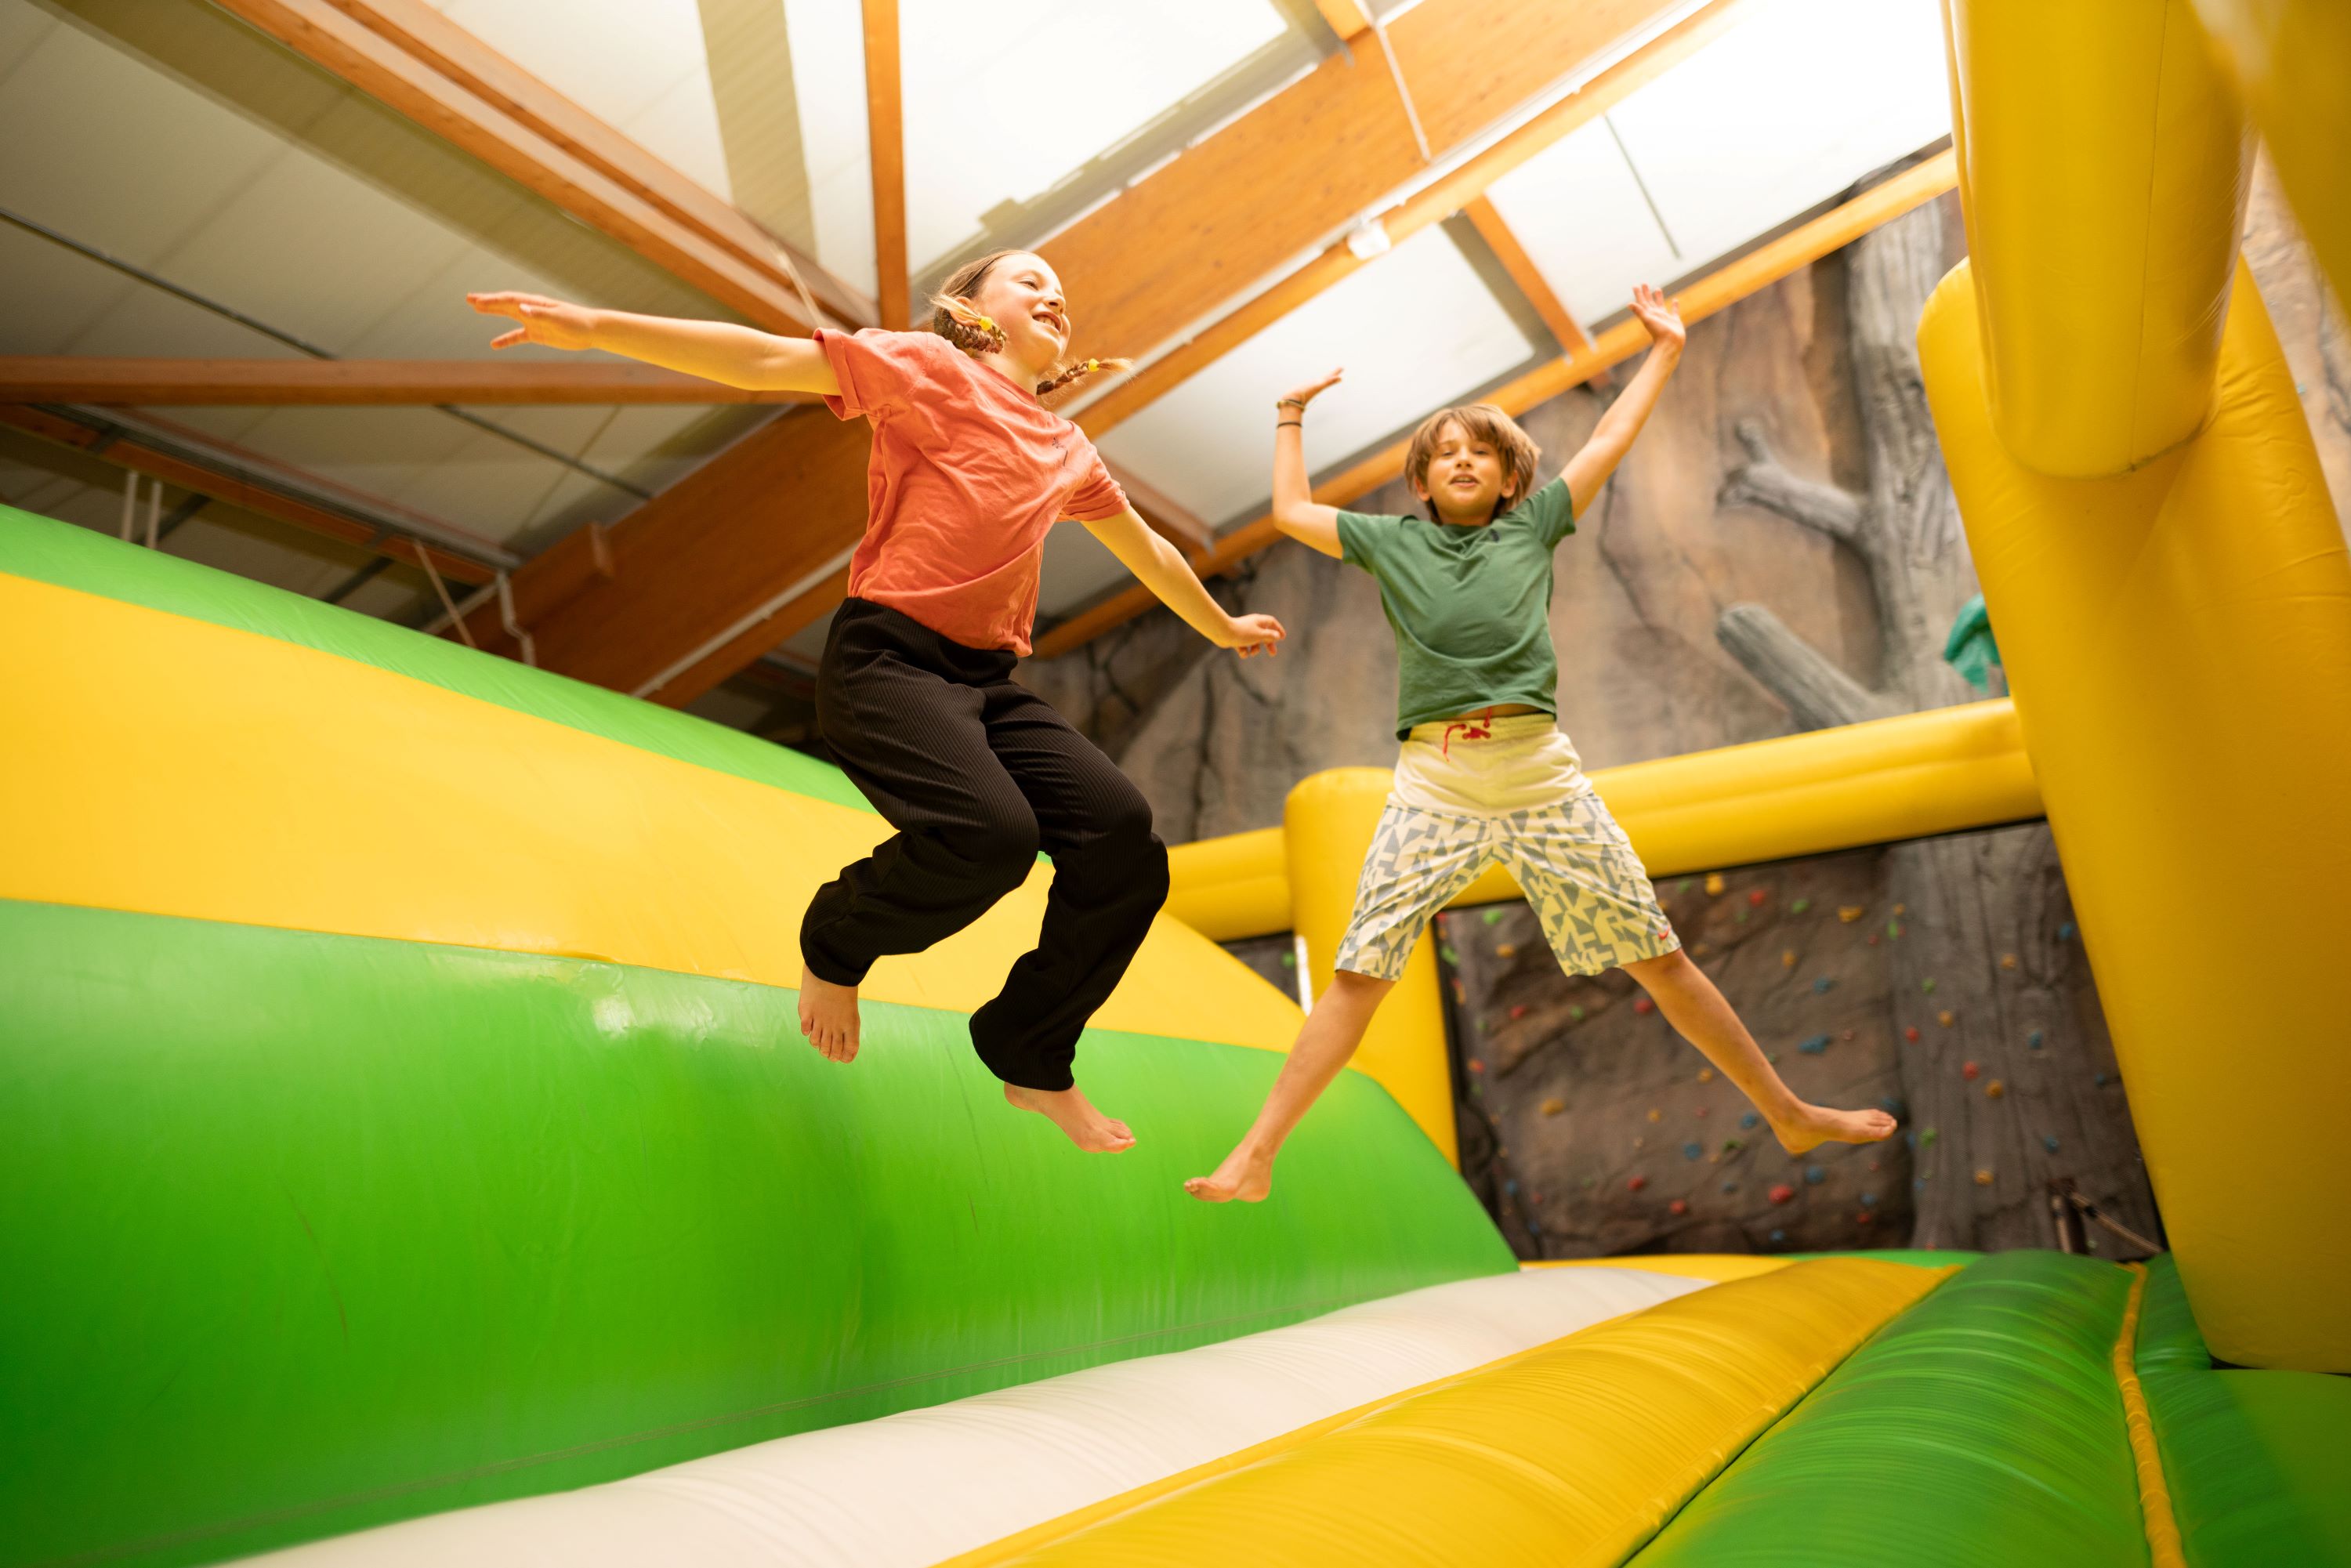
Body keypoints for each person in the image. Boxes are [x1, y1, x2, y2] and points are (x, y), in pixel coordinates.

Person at [470, 251, 1282, 1153]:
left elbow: (1152, 553)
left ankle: (1030, 1050)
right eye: (1028, 280)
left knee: (1124, 839)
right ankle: (836, 943)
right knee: (994, 836)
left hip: (985, 681)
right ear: (971, 309)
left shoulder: (1066, 447)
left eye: (1063, 285)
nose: (1054, 292)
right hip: (886, 663)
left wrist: (1218, 626)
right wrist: (595, 329)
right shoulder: (928, 371)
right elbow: (768, 360)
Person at [1186, 284, 1893, 1202]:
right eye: (1443, 455)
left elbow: (1606, 441)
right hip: (1434, 780)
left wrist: (1665, 352)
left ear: (1513, 478)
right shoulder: (1392, 544)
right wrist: (1288, 416)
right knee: (1360, 970)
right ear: (1421, 484)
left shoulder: (1535, 524)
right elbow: (1288, 512)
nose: (1462, 461)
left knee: (1661, 958)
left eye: (1480, 451)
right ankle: (1258, 1153)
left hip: (1535, 774)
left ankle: (1787, 1111)